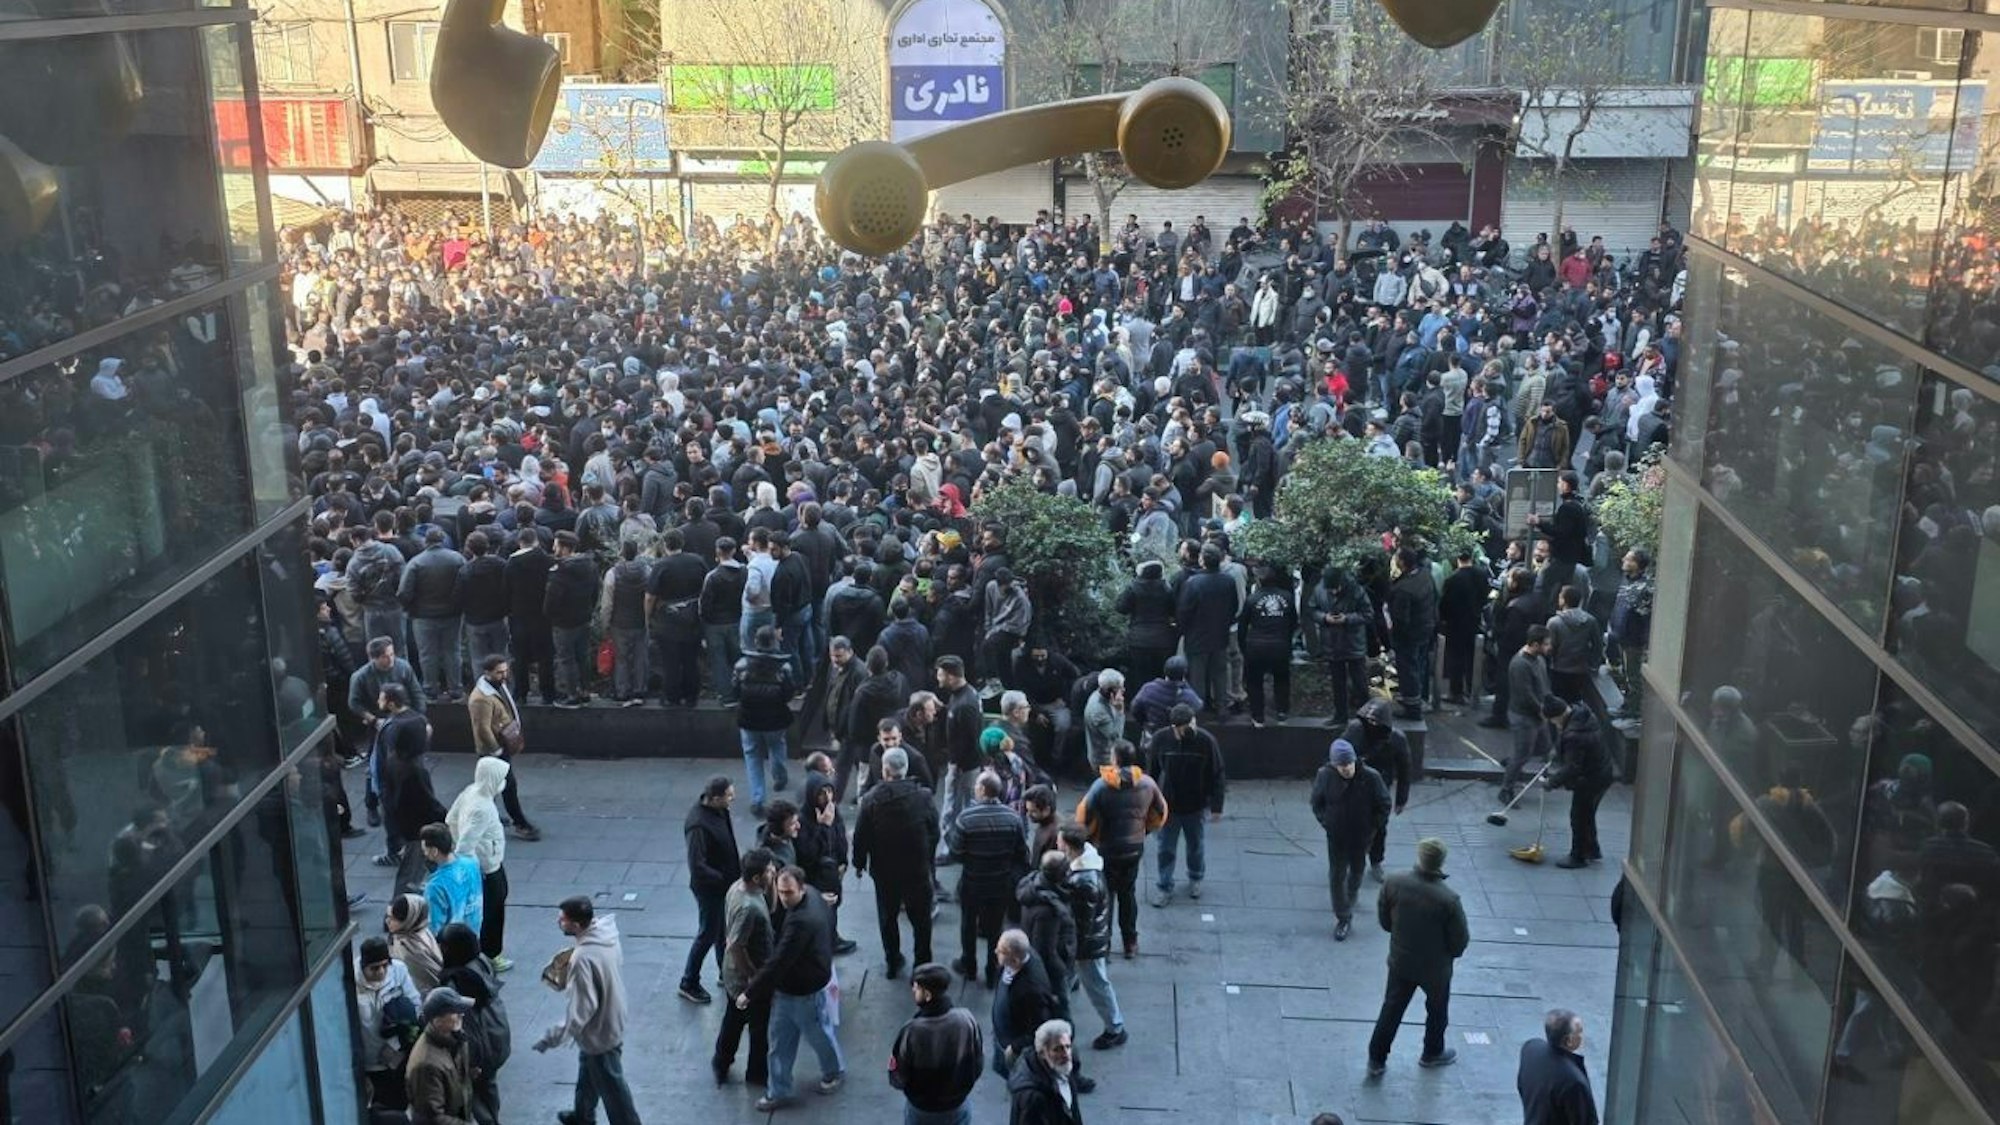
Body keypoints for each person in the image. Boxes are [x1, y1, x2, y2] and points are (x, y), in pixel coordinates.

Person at [742, 865, 846, 1112]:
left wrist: (750, 992)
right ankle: (779, 1090)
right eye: (781, 892)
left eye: (788, 893)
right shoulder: (813, 895)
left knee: (813, 1036)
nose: (784, 898)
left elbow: (779, 962)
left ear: (801, 888)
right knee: (784, 1041)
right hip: (797, 987)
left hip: (803, 991)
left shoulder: (800, 922)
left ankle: (832, 1071)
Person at [1367, 838, 1470, 1077]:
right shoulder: (1448, 900)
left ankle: (1376, 1059)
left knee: (1391, 1008)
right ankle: (1432, 1053)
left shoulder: (1394, 882)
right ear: (1441, 862)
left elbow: (1385, 921)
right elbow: (1459, 942)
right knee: (1437, 1010)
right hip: (1435, 968)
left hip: (1401, 961)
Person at [535, 895, 640, 1125]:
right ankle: (582, 1115)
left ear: (576, 925)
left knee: (613, 1087)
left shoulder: (582, 958)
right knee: (588, 1070)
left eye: (562, 919)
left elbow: (581, 1010)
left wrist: (551, 1037)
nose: (559, 922)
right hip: (612, 1014)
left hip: (599, 1031)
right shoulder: (605, 936)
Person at [1075, 740, 1168, 960]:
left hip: (1106, 848)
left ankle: (1104, 946)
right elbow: (1161, 812)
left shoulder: (1101, 786)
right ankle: (1130, 943)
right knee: (1128, 894)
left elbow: (1083, 817)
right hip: (1134, 848)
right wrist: (1144, 831)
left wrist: (1087, 839)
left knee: (1105, 897)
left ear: (1115, 759)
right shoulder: (1148, 784)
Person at [853, 747, 940, 978]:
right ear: (906, 768)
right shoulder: (923, 797)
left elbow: (861, 836)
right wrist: (928, 856)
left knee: (887, 916)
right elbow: (934, 831)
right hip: (916, 869)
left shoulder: (871, 800)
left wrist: (859, 863)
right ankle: (922, 962)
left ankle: (893, 960)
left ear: (885, 769)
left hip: (885, 871)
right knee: (921, 919)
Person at [949, 769, 1031, 986]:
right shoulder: (1013, 818)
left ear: (982, 790)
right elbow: (1021, 852)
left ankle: (969, 964)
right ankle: (993, 968)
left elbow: (955, 853)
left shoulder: (966, 818)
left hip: (973, 881)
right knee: (995, 926)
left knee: (968, 923)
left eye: (977, 786)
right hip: (1000, 882)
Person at [1144, 704, 1226, 906]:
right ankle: (1164, 886)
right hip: (1169, 805)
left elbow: (1217, 773)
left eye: (1192, 723)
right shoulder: (1161, 739)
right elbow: (1152, 771)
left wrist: (1216, 806)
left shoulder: (1206, 741)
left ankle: (1196, 877)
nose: (1191, 729)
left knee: (1195, 845)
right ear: (1175, 727)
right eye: (1186, 726)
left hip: (1195, 805)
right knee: (1165, 848)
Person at [1311, 739, 1391, 941]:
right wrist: (1327, 822)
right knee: (1336, 875)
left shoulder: (1371, 777)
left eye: (1348, 763)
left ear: (1354, 760)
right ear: (1334, 765)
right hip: (1337, 836)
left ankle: (1352, 894)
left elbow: (1384, 804)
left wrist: (1373, 827)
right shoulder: (1325, 776)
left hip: (1361, 836)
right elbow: (1317, 802)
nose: (1346, 768)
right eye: (1341, 765)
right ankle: (1343, 917)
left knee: (1357, 869)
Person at [889, 961, 985, 1125]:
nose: (913, 991)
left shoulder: (912, 1031)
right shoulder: (967, 1020)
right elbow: (978, 1062)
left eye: (916, 988)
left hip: (923, 1110)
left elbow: (898, 1075)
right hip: (957, 1105)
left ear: (927, 994)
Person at [1056, 825, 1125, 1050]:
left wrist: (1073, 950)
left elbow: (1082, 925)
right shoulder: (1085, 867)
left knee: (1097, 985)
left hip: (1088, 946)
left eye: (1059, 841)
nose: (1057, 844)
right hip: (1090, 941)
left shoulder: (1083, 881)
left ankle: (1115, 1028)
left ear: (1068, 846)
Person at [436, 923, 511, 1125]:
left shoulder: (457, 982)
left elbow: (468, 1027)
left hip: (481, 1050)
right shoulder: (482, 962)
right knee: (489, 1088)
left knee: (474, 1093)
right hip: (498, 1036)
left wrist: (470, 1062)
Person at [715, 847, 776, 1088]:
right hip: (747, 979)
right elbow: (736, 945)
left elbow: (771, 908)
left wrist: (771, 884)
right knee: (758, 1027)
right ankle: (756, 1073)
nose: (773, 872)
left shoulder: (739, 888)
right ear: (757, 878)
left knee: (734, 1019)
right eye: (769, 871)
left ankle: (722, 1061)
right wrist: (754, 976)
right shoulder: (748, 907)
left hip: (736, 975)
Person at [444, 757, 513, 970]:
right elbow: (466, 844)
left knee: (491, 905)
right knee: (494, 909)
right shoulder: (483, 808)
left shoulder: (470, 791)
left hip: (487, 863)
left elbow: (451, 819)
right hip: (487, 867)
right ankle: (491, 954)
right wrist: (475, 863)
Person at [679, 776, 740, 1005]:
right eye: (729, 796)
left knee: (721, 930)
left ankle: (725, 971)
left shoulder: (720, 811)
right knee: (708, 933)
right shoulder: (698, 825)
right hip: (710, 889)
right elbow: (697, 865)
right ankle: (689, 981)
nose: (732, 799)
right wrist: (723, 879)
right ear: (715, 798)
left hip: (723, 884)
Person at [465, 654, 540, 841]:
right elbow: (482, 728)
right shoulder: (481, 699)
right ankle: (520, 823)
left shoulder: (497, 686)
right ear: (487, 672)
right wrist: (496, 751)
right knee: (508, 786)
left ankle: (484, 819)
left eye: (505, 671)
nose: (504, 675)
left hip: (501, 744)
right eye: (499, 672)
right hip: (493, 750)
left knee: (488, 788)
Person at [1341, 699, 1412, 883]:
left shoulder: (1396, 739)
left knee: (1380, 827)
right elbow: (1338, 755)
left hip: (1380, 788)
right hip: (1356, 785)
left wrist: (1401, 798)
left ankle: (1376, 861)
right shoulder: (1355, 730)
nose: (1371, 725)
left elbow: (1405, 769)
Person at [1542, 698, 1614, 869]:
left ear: (1558, 717)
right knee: (1588, 814)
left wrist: (1551, 782)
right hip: (1603, 773)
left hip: (1590, 779)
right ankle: (1591, 849)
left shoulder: (1574, 735)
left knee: (1579, 817)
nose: (1553, 724)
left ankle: (1578, 856)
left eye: (1552, 721)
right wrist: (1559, 751)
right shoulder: (1583, 717)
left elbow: (1572, 767)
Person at [735, 623, 798, 817]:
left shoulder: (742, 665)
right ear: (774, 642)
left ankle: (758, 798)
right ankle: (780, 777)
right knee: (777, 747)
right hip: (775, 719)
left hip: (749, 719)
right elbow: (789, 693)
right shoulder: (783, 667)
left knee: (752, 756)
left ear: (756, 642)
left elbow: (735, 691)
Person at [356, 936, 422, 1112]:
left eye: (385, 965)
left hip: (398, 1056)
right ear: (363, 967)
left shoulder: (399, 971)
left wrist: (395, 1044)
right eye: (374, 968)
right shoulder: (351, 984)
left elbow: (415, 1004)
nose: (381, 972)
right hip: (370, 1064)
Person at [1309, 566, 1374, 727]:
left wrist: (1347, 619)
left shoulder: (1356, 590)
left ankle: (1367, 717)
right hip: (1331, 643)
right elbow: (1312, 610)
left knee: (1360, 683)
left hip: (1353, 643)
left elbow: (1368, 614)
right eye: (1330, 590)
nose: (1334, 592)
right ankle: (1340, 715)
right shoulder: (1319, 590)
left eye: (1336, 588)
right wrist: (1324, 618)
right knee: (1337, 683)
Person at [545, 531, 602, 707]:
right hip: (583, 618)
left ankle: (571, 694)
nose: (553, 548)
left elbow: (552, 599)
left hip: (564, 622)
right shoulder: (590, 566)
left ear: (564, 548)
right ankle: (585, 690)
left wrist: (550, 615)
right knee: (582, 656)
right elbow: (595, 592)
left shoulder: (561, 571)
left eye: (556, 545)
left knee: (565, 658)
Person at [404, 986, 477, 1125]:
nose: (461, 1015)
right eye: (455, 1012)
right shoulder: (426, 1065)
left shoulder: (455, 1037)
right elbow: (432, 1118)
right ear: (437, 1021)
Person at [1238, 562, 1298, 726]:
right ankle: (1282, 712)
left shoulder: (1252, 599)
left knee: (1254, 682)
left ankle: (1258, 716)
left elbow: (1243, 626)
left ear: (1259, 581)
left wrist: (1244, 647)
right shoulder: (1287, 597)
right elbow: (1294, 622)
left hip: (1256, 646)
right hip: (1280, 645)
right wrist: (1287, 639)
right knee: (1282, 679)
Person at [1501, 625, 1556, 806]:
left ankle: (1511, 763)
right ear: (1535, 644)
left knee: (1544, 747)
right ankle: (1506, 789)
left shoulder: (1539, 660)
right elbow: (1525, 695)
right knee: (1522, 755)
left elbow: (1543, 686)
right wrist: (1542, 710)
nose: (1549, 647)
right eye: (1546, 644)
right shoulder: (1520, 664)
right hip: (1524, 717)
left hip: (1538, 715)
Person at [1518, 1009, 1599, 1125]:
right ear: (1568, 1041)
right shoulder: (1574, 1081)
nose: (1582, 1036)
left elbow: (1521, 1085)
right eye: (1579, 1032)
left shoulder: (1530, 1048)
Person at [1006, 1018, 1085, 1125]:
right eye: (1057, 1049)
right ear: (1042, 1053)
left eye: (1067, 1047)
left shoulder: (1065, 1069)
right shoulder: (1032, 1097)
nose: (1065, 1054)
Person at [1437, 550, 1488, 705]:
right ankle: (1472, 688)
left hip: (1456, 623)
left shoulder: (1452, 579)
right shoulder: (1481, 575)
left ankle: (1456, 692)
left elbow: (1445, 604)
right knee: (1473, 657)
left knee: (1456, 658)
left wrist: (1443, 620)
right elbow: (1484, 596)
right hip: (1474, 621)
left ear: (1457, 559)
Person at [421, 823, 484, 937]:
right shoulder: (471, 864)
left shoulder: (435, 886)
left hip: (450, 941)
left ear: (434, 851)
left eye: (425, 850)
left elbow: (434, 926)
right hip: (474, 933)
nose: (424, 854)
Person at [388, 893, 444, 991]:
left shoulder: (409, 950)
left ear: (409, 920)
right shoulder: (422, 931)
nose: (387, 921)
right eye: (388, 916)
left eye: (393, 919)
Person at [1081, 670, 1128, 768]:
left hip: (1110, 755)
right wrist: (1120, 712)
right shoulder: (1098, 711)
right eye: (1120, 688)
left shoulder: (1099, 694)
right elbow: (1117, 737)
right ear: (1109, 691)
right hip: (1104, 760)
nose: (1123, 690)